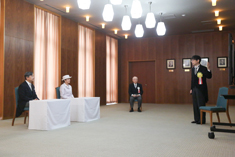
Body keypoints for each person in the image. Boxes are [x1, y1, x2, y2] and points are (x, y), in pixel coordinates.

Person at [190, 55, 212, 124]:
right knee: (195, 104)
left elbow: (209, 76)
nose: (192, 62)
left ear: (198, 60)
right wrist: (191, 88)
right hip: (194, 89)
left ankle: (202, 120)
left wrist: (208, 68)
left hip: (201, 89)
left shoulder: (203, 68)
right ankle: (196, 119)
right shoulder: (193, 69)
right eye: (191, 60)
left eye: (193, 60)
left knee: (201, 104)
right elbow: (192, 80)